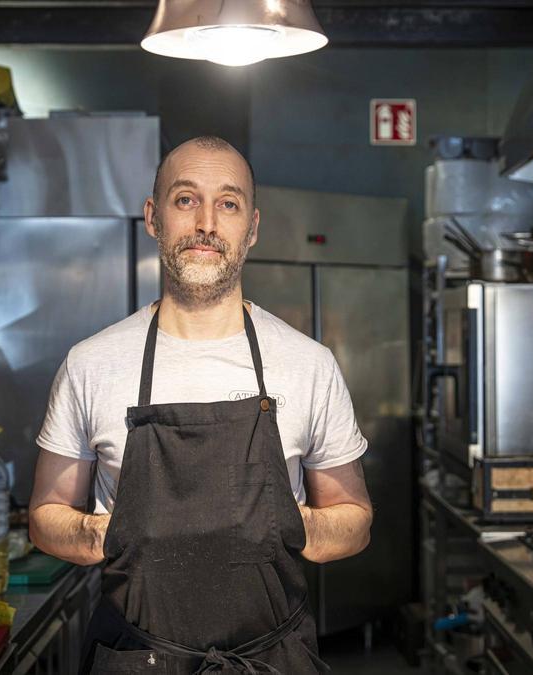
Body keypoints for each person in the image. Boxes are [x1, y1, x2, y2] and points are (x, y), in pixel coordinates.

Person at [30, 135, 373, 673]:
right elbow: (45, 519)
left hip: (272, 660)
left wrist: (292, 524)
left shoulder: (309, 364)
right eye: (185, 199)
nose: (206, 223)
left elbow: (355, 520)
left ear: (252, 228)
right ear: (154, 217)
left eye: (228, 204)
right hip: (135, 658)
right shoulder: (91, 363)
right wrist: (97, 533)